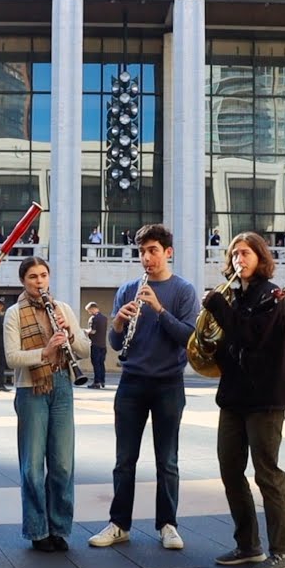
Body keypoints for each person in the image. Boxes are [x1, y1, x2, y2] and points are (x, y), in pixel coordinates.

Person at [89, 224, 199, 551]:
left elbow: (188, 337)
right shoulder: (127, 290)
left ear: (168, 252)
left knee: (167, 460)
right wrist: (118, 322)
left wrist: (160, 310)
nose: (146, 258)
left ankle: (167, 524)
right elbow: (115, 343)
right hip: (131, 382)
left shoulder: (183, 290)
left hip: (168, 383)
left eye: (153, 251)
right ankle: (119, 524)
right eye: (141, 252)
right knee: (124, 460)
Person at [204, 232, 285, 568]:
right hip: (234, 395)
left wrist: (218, 308)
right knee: (230, 470)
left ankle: (284, 551)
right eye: (234, 254)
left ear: (260, 257)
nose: (238, 259)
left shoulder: (272, 296)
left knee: (267, 473)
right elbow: (231, 344)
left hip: (265, 398)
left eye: (245, 253)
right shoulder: (236, 296)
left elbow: (250, 337)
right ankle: (248, 545)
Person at [4, 257, 89, 552]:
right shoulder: (14, 313)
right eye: (32, 277)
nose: (39, 281)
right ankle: (37, 530)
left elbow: (85, 349)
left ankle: (59, 528)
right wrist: (45, 350)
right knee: (32, 467)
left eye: (43, 275)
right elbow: (12, 358)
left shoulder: (62, 308)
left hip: (62, 385)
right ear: (23, 281)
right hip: (31, 389)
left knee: (63, 464)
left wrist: (71, 334)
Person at [84, 301, 108, 389]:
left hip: (95, 344)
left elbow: (93, 331)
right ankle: (102, 381)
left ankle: (96, 382)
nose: (89, 312)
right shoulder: (104, 318)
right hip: (103, 345)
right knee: (101, 363)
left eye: (89, 310)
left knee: (96, 364)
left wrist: (85, 331)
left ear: (92, 309)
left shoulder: (93, 318)